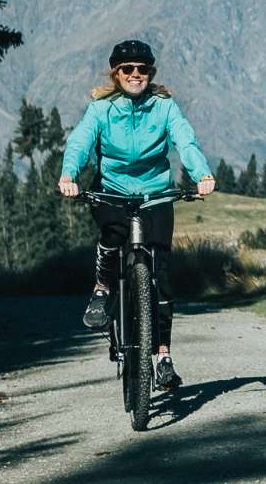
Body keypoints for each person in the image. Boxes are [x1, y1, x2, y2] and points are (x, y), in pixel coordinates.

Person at [58, 39, 216, 391]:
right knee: (112, 235)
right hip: (112, 189)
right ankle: (101, 290)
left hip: (155, 193)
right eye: (127, 69)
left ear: (150, 73)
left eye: (142, 69)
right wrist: (69, 174)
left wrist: (201, 174)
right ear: (116, 74)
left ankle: (162, 356)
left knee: (160, 271)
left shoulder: (164, 106)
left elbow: (185, 141)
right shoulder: (101, 109)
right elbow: (81, 142)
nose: (135, 74)